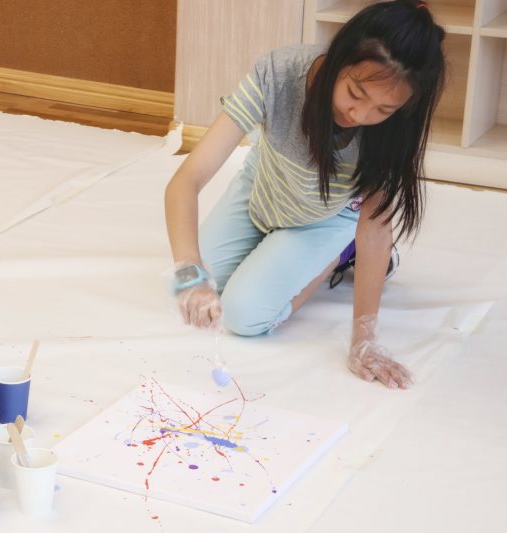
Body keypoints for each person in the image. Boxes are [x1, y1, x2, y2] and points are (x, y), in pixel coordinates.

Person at [164, 0, 445, 389]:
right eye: (355, 93)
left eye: (383, 109)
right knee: (195, 282)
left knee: (244, 316)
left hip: (326, 216)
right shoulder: (278, 74)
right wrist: (188, 271)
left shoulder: (393, 131)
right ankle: (273, 248)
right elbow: (187, 179)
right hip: (264, 187)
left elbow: (375, 228)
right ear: (339, 58)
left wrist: (363, 339)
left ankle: (340, 253)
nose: (360, 115)